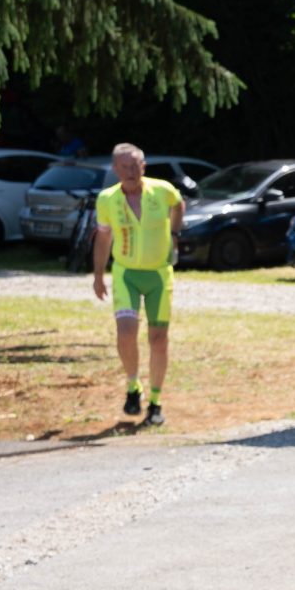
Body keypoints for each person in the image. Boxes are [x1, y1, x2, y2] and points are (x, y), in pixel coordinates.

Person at [91, 143, 184, 427]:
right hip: (126, 274)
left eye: (136, 166)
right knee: (126, 333)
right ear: (115, 169)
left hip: (159, 274)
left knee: (159, 339)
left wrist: (175, 235)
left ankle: (155, 401)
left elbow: (178, 203)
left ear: (143, 166)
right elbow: (103, 237)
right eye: (125, 167)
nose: (131, 171)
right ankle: (133, 386)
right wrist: (98, 275)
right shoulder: (107, 199)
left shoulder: (162, 190)